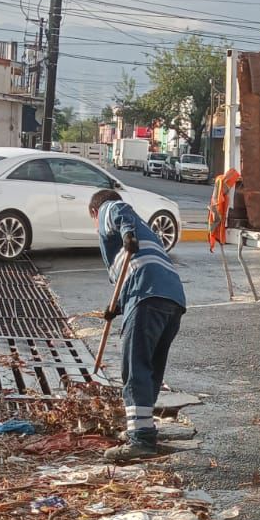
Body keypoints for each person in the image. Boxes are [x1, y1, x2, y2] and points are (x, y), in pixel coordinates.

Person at [89, 189, 186, 464]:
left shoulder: (109, 209)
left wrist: (127, 233)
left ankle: (141, 440)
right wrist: (116, 307)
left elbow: (119, 211)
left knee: (134, 368)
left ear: (94, 214)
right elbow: (130, 273)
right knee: (150, 368)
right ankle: (143, 429)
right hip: (172, 298)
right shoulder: (146, 233)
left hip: (147, 295)